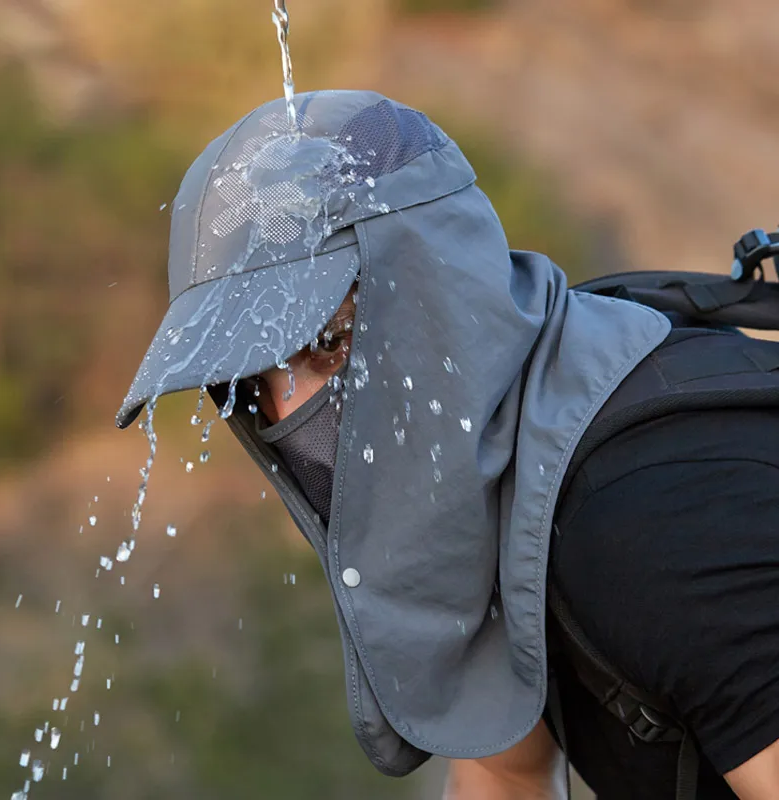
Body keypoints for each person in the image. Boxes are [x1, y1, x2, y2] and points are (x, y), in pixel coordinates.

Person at [116, 90, 779, 799]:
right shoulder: (495, 453)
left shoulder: (651, 523)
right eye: (252, 381)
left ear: (437, 305)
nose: (288, 410)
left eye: (327, 346)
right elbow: (504, 769)